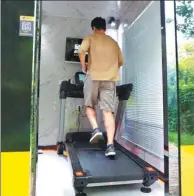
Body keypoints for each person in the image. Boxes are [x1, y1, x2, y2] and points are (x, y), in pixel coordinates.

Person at [78, 17, 123, 157]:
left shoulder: (90, 38)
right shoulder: (113, 42)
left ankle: (96, 129)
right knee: (108, 111)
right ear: (105, 28)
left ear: (94, 28)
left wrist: (84, 67)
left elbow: (81, 51)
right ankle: (110, 146)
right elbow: (121, 61)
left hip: (93, 76)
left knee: (90, 105)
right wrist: (109, 69)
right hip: (110, 79)